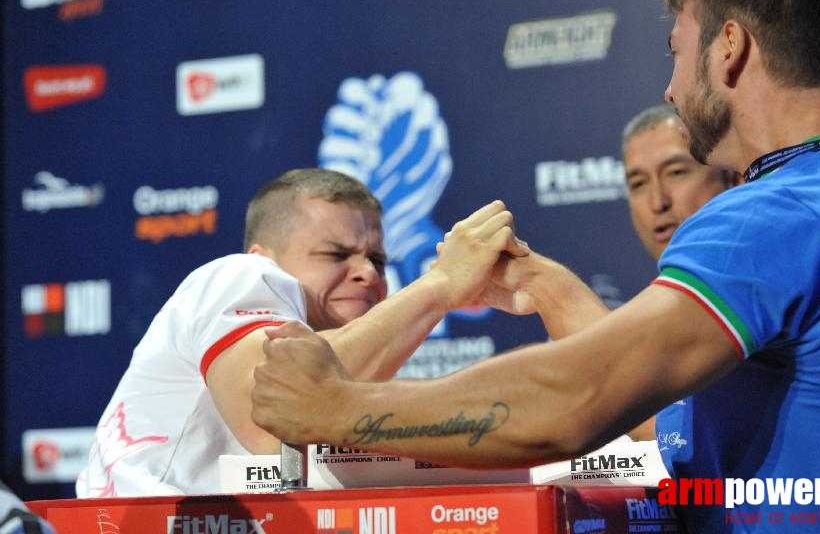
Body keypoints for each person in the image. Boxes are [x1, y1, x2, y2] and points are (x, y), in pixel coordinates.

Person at [251, 0, 820, 531]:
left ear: (728, 47)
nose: (670, 90)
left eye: (676, 51)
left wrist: (335, 407)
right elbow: (657, 413)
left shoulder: (774, 214)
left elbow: (575, 401)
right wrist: (545, 285)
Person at [77, 168, 525, 497]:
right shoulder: (237, 274)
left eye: (379, 260)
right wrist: (441, 285)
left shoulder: (355, 359)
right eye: (336, 254)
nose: (368, 273)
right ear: (264, 256)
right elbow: (277, 420)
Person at [620, 104, 739, 445]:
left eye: (675, 172)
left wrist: (548, 287)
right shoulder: (648, 308)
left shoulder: (756, 291)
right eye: (638, 183)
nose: (658, 202)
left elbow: (667, 433)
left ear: (731, 178)